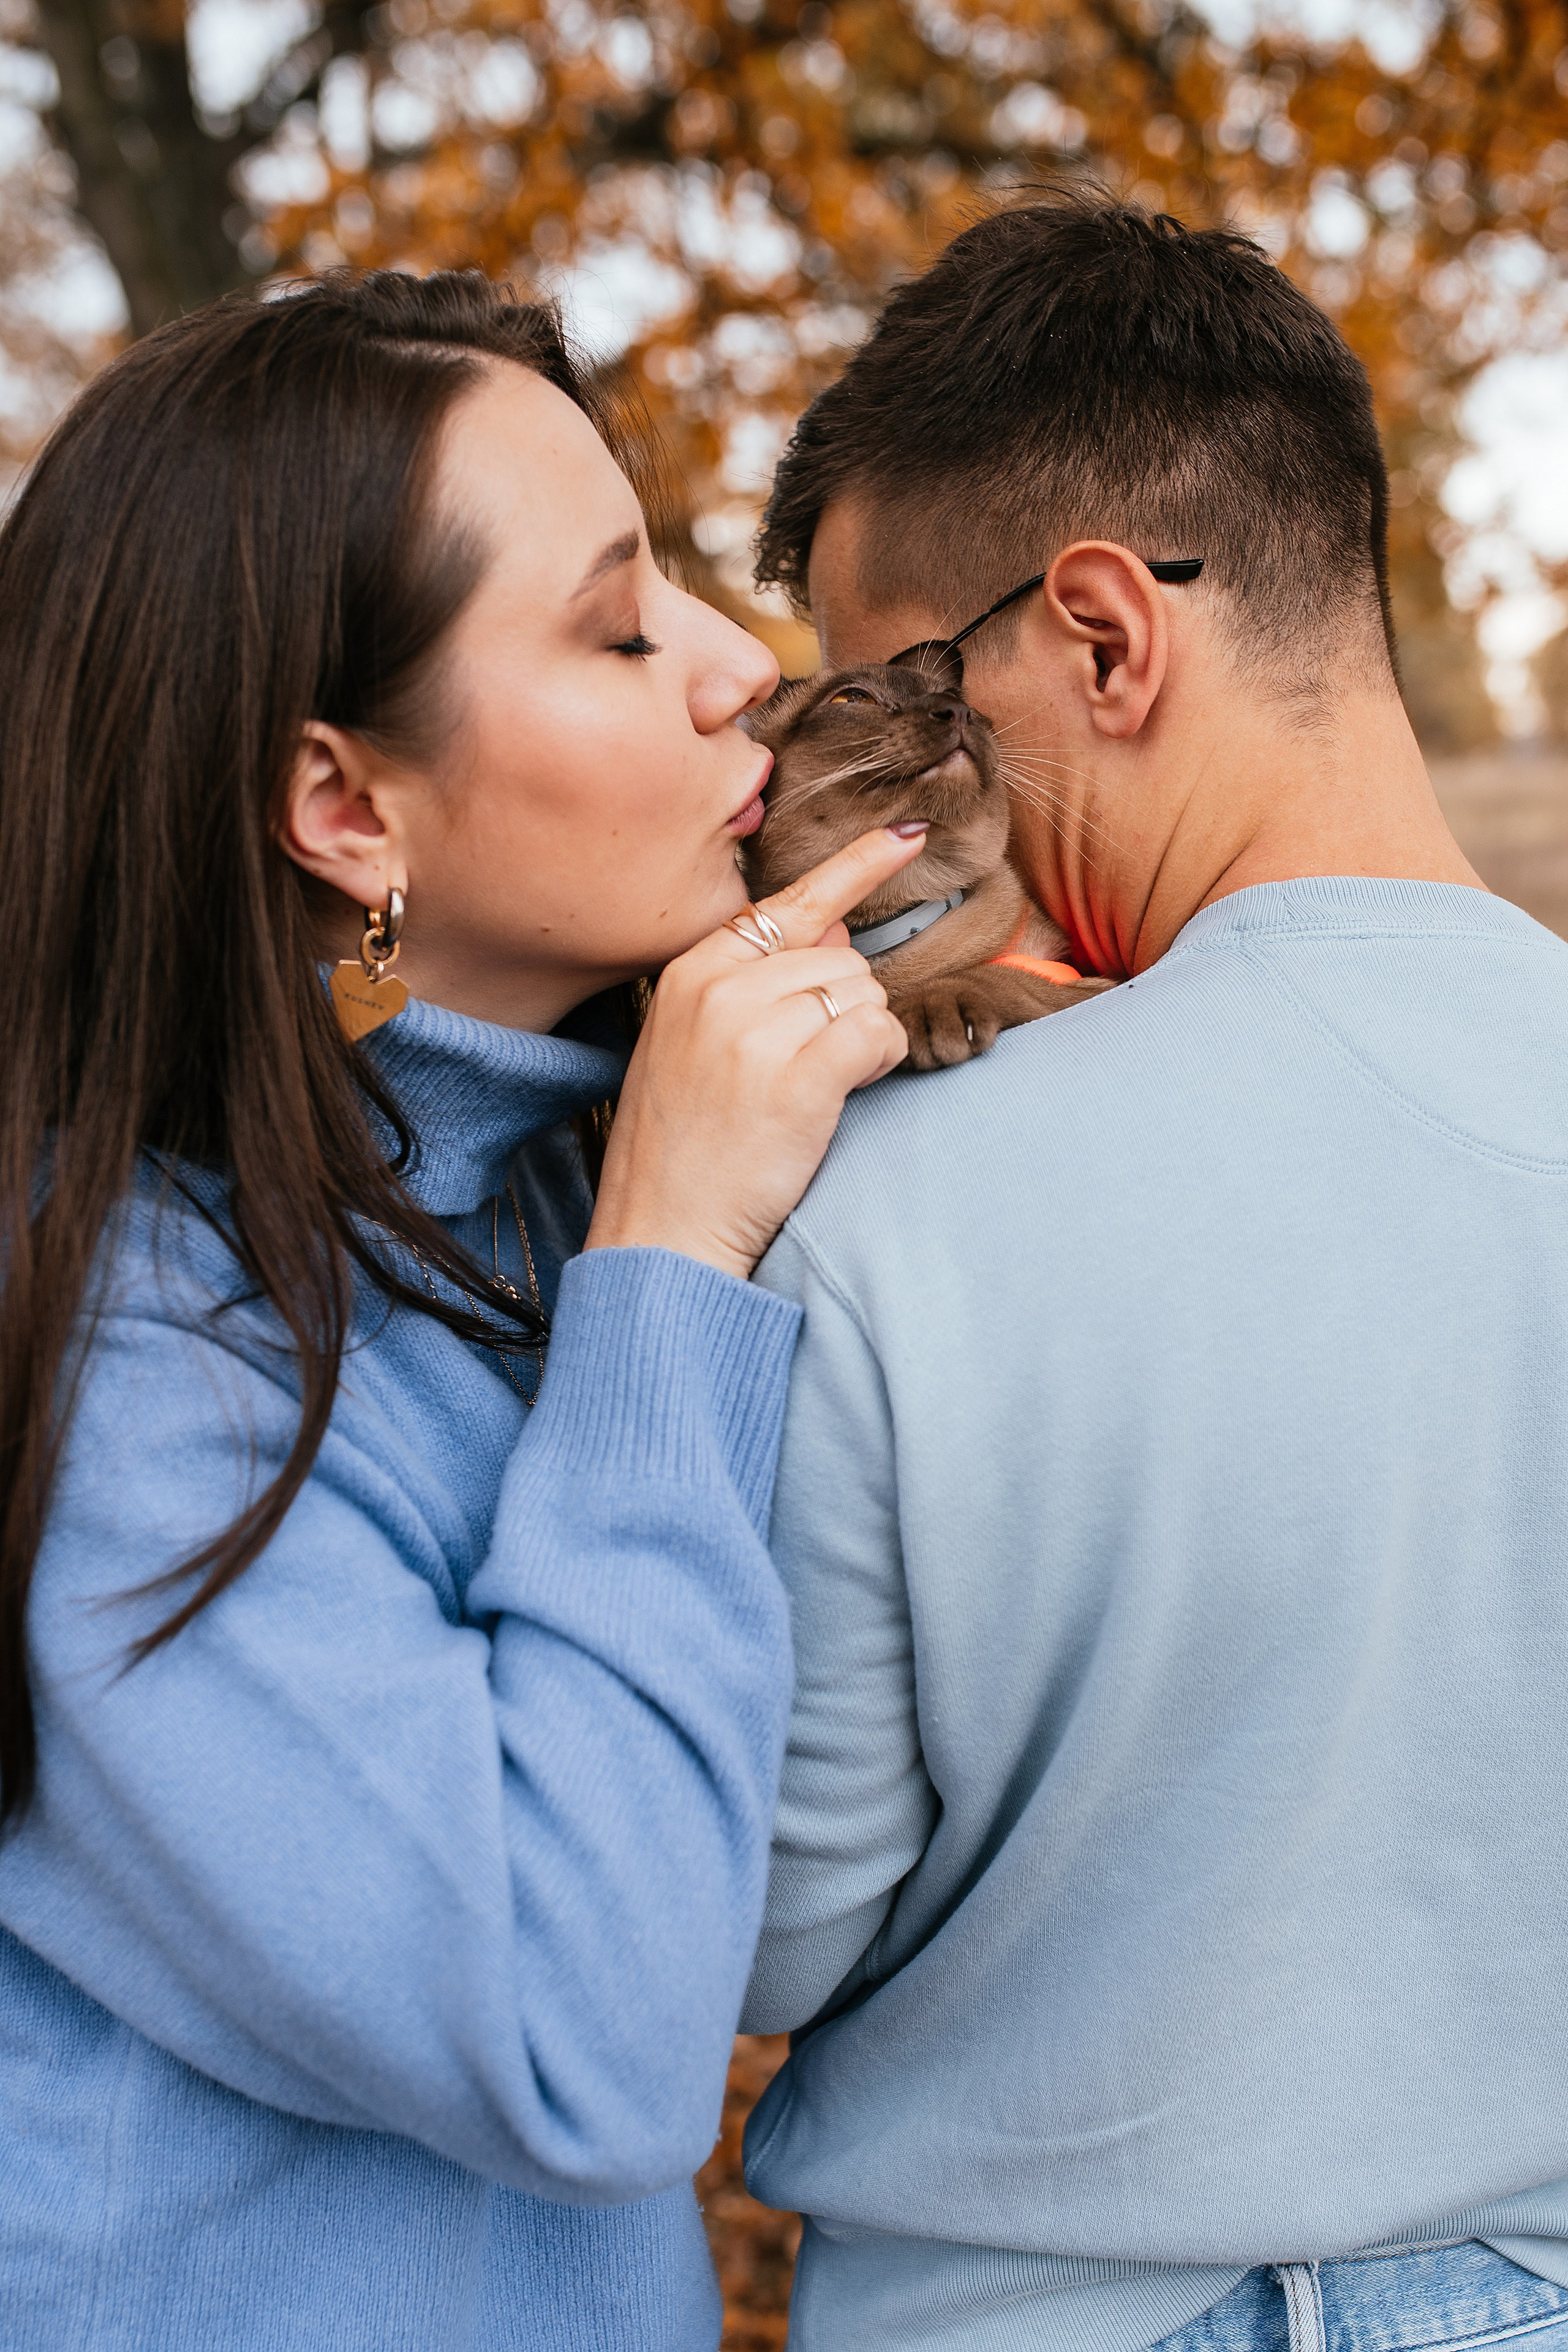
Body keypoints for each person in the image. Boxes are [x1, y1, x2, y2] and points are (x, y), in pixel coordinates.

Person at [0, 268, 926, 2351]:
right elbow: (582, 2033)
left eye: (677, 575)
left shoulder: (530, 1186)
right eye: (616, 624)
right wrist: (671, 1256)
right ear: (342, 807)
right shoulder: (120, 1362)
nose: (738, 661)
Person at [738, 193, 1568, 2352]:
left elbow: (760, 1940)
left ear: (1105, 635)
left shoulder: (873, 1217)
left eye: (913, 692)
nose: (894, 809)